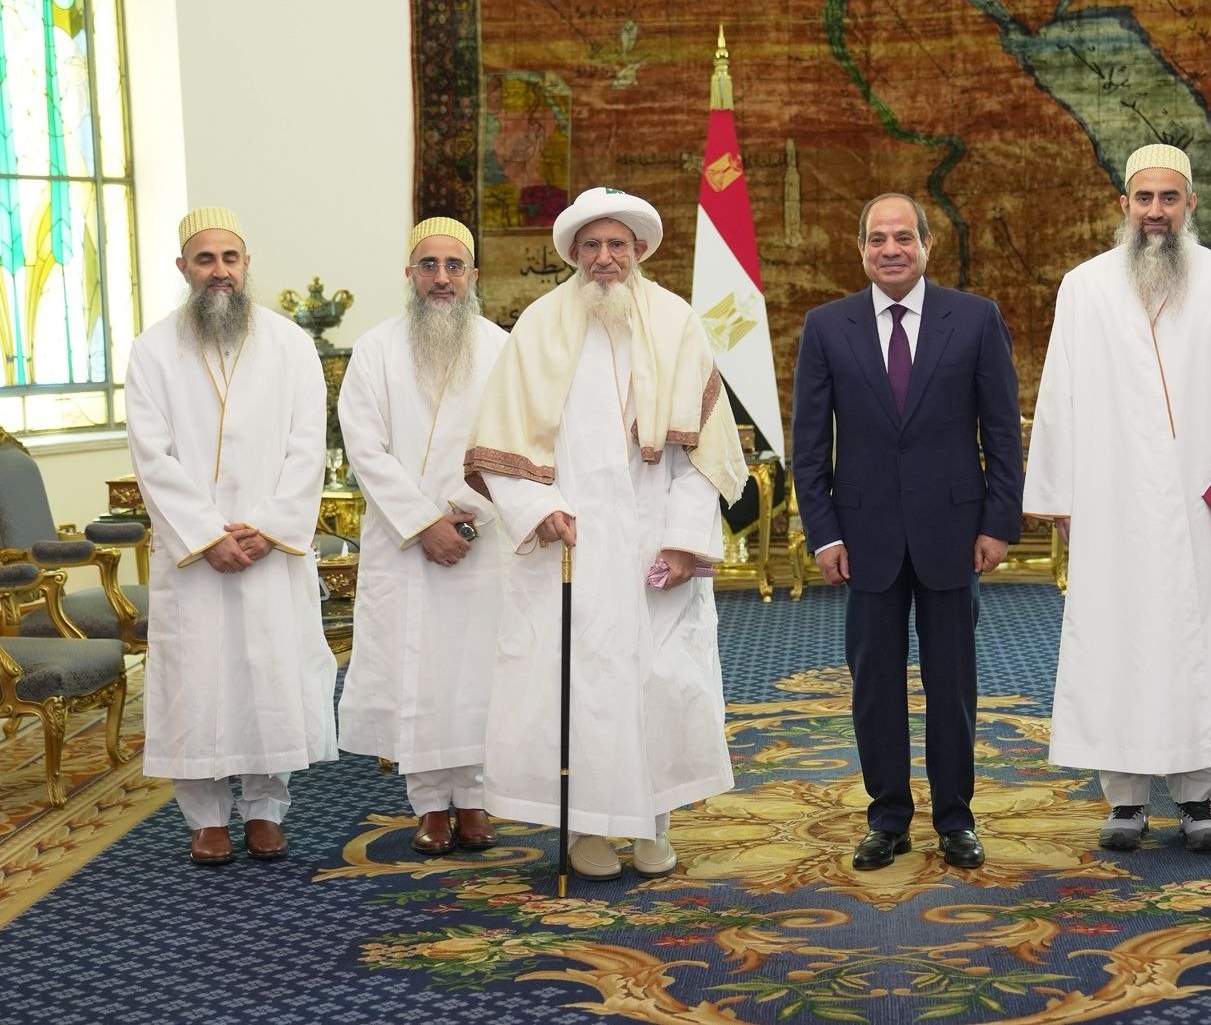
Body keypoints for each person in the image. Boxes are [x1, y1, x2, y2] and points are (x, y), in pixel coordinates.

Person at [463, 187, 747, 881]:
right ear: (573, 254)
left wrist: (684, 540)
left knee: (662, 681)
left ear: (639, 250)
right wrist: (538, 507)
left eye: (617, 244)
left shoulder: (677, 321)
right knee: (580, 685)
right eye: (591, 245)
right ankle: (587, 826)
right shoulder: (539, 325)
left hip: (655, 542)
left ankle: (656, 821)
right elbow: (501, 443)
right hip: (574, 543)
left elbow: (704, 454)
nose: (605, 258)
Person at [1022, 144, 1211, 854]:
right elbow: (1060, 393)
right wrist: (1060, 495)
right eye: (1144, 198)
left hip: (1198, 504)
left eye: (1170, 198)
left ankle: (1199, 799)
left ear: (1191, 204)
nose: (1156, 212)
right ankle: (1125, 801)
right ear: (1124, 206)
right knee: (1117, 641)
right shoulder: (1085, 286)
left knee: (1200, 641)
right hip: (1111, 502)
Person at [791, 192, 1023, 871]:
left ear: (927, 245)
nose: (890, 250)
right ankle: (887, 818)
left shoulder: (976, 319)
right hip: (863, 540)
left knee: (952, 686)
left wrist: (998, 522)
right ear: (860, 249)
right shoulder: (826, 327)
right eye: (877, 239)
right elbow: (810, 446)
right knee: (874, 688)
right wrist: (824, 534)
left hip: (954, 533)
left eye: (903, 238)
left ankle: (956, 819)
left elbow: (1002, 433)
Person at [124, 207, 337, 865]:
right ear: (183, 267)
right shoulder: (153, 350)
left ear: (247, 265)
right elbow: (151, 456)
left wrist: (268, 527)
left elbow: (308, 446)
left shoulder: (290, 344)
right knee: (196, 683)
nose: (220, 271)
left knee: (269, 677)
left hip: (270, 550)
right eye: (205, 259)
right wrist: (206, 535)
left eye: (230, 258)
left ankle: (266, 809)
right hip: (194, 555)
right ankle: (206, 818)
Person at [336, 217, 509, 855]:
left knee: (476, 672)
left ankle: (475, 797)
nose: (442, 278)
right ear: (409, 274)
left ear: (473, 275)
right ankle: (429, 805)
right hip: (404, 541)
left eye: (454, 266)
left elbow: (516, 443)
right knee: (418, 675)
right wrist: (423, 523)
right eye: (429, 266)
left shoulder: (503, 349)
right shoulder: (375, 349)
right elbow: (365, 448)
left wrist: (464, 516)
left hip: (480, 539)